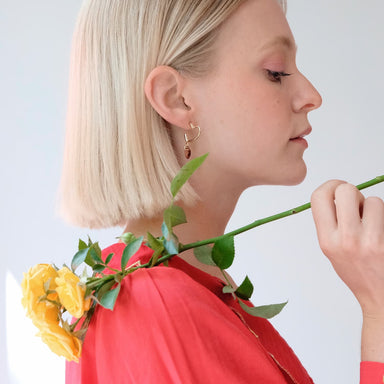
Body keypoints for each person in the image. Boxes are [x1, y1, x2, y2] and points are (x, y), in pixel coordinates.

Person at [61, 0, 384, 382]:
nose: (311, 95)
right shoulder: (149, 302)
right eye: (276, 72)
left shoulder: (189, 286)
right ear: (175, 98)